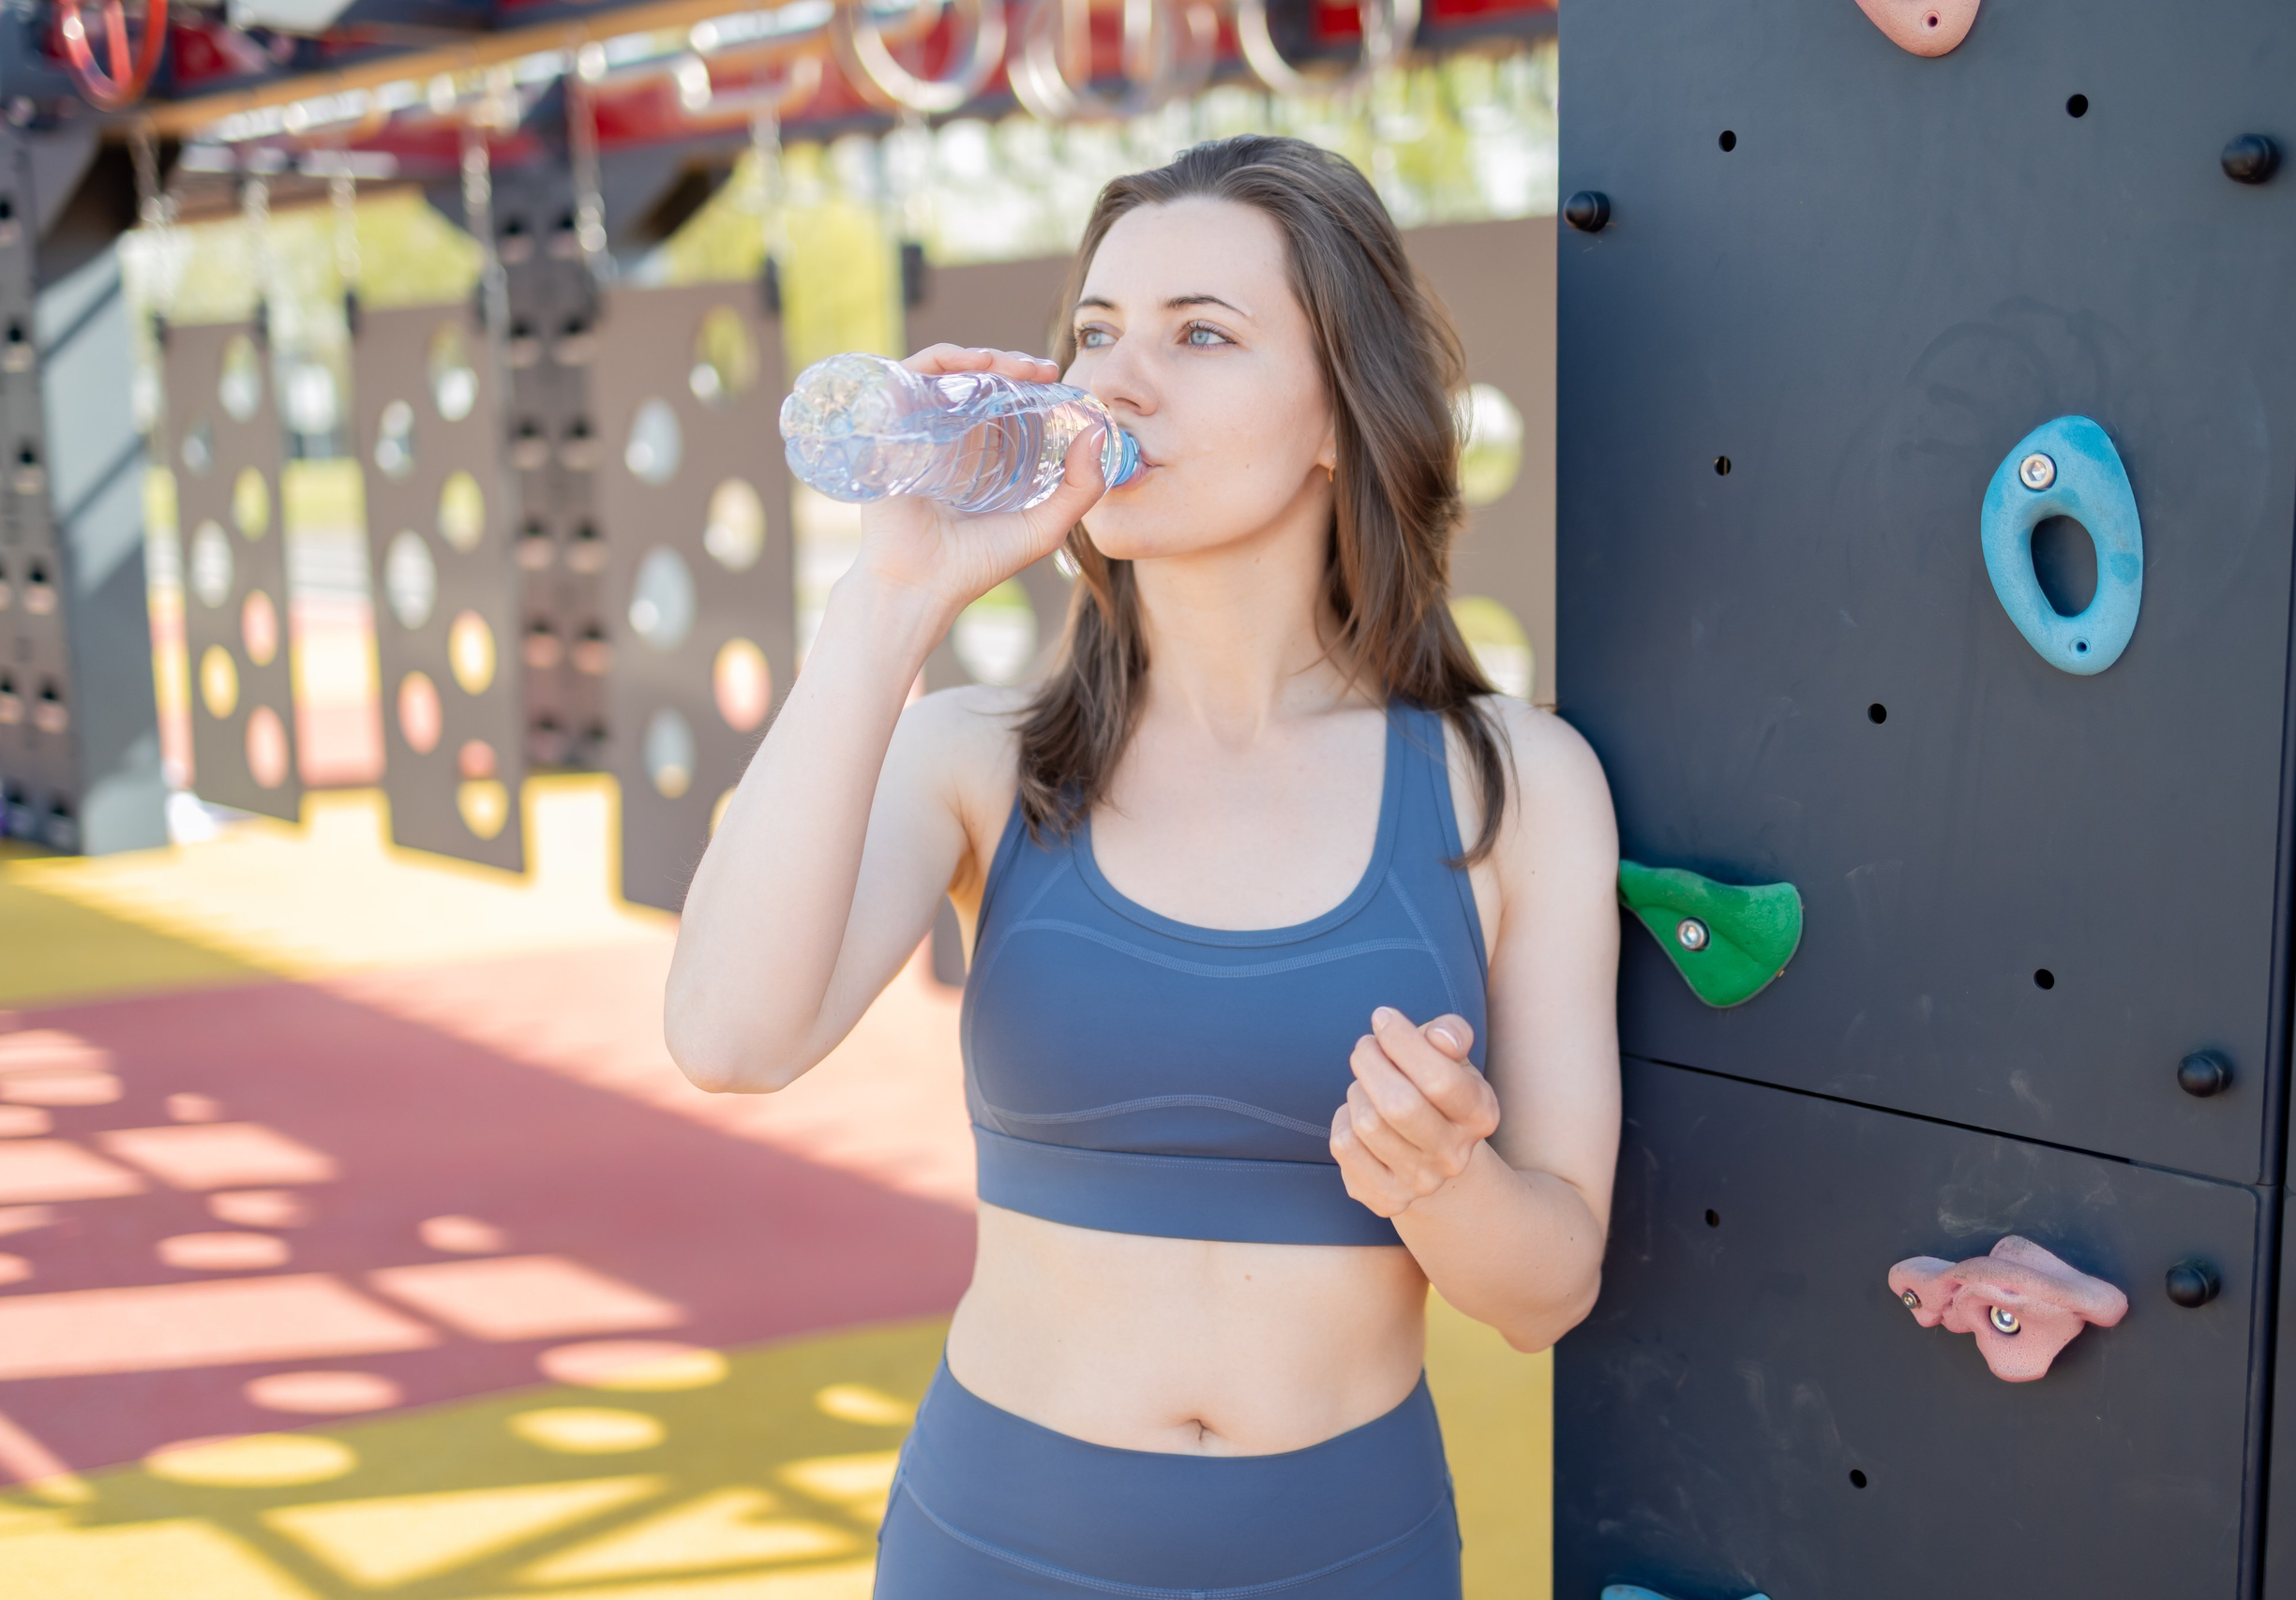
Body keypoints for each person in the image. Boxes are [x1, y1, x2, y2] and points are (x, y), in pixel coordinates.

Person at [666, 134, 1621, 1597]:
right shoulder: (982, 756)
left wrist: (1442, 1179)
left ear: (1335, 414)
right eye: (1097, 333)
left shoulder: (1517, 783)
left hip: (1349, 1560)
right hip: (994, 1550)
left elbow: (1549, 1289)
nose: (1115, 381)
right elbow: (728, 1038)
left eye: (1201, 335)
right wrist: (887, 606)